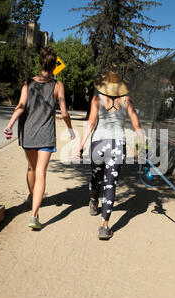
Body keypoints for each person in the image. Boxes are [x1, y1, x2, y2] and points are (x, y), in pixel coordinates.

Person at [4, 46, 75, 230]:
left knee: (31, 168)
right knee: (41, 172)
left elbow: (20, 106)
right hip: (45, 134)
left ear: (40, 63)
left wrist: (10, 125)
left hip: (27, 132)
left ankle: (33, 198)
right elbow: (65, 112)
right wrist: (70, 129)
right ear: (54, 66)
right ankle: (34, 216)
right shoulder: (58, 85)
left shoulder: (28, 83)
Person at [75, 70, 145, 240]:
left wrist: (81, 145)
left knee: (95, 175)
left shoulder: (97, 98)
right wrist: (143, 144)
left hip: (98, 143)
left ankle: (93, 201)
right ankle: (104, 226)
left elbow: (91, 123)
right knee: (110, 183)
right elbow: (136, 123)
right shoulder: (127, 100)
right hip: (118, 145)